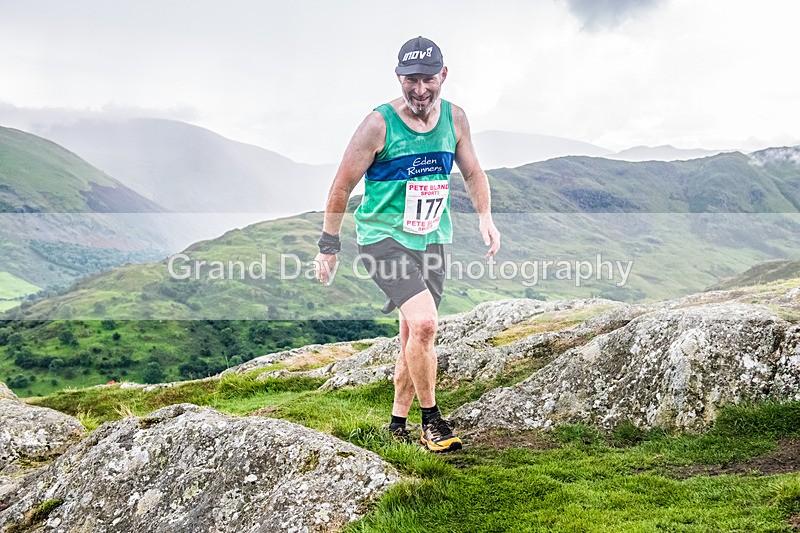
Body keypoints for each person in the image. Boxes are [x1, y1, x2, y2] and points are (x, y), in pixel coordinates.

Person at [314, 36, 500, 452]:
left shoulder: (456, 119)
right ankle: (432, 422)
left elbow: (472, 173)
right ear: (399, 78)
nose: (420, 90)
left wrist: (485, 218)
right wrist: (329, 244)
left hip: (431, 237)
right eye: (410, 80)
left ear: (443, 76)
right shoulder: (377, 124)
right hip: (382, 239)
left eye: (428, 80)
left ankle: (397, 425)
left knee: (413, 338)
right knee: (425, 324)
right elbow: (342, 185)